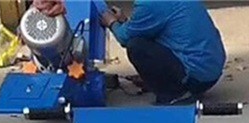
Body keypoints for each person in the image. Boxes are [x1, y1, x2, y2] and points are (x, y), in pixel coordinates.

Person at [31, 0, 227, 105]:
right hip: (211, 69)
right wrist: (124, 21)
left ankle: (176, 95)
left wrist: (111, 22)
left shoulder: (150, 3)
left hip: (196, 75)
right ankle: (171, 82)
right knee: (144, 38)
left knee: (137, 47)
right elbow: (153, 26)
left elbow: (126, 38)